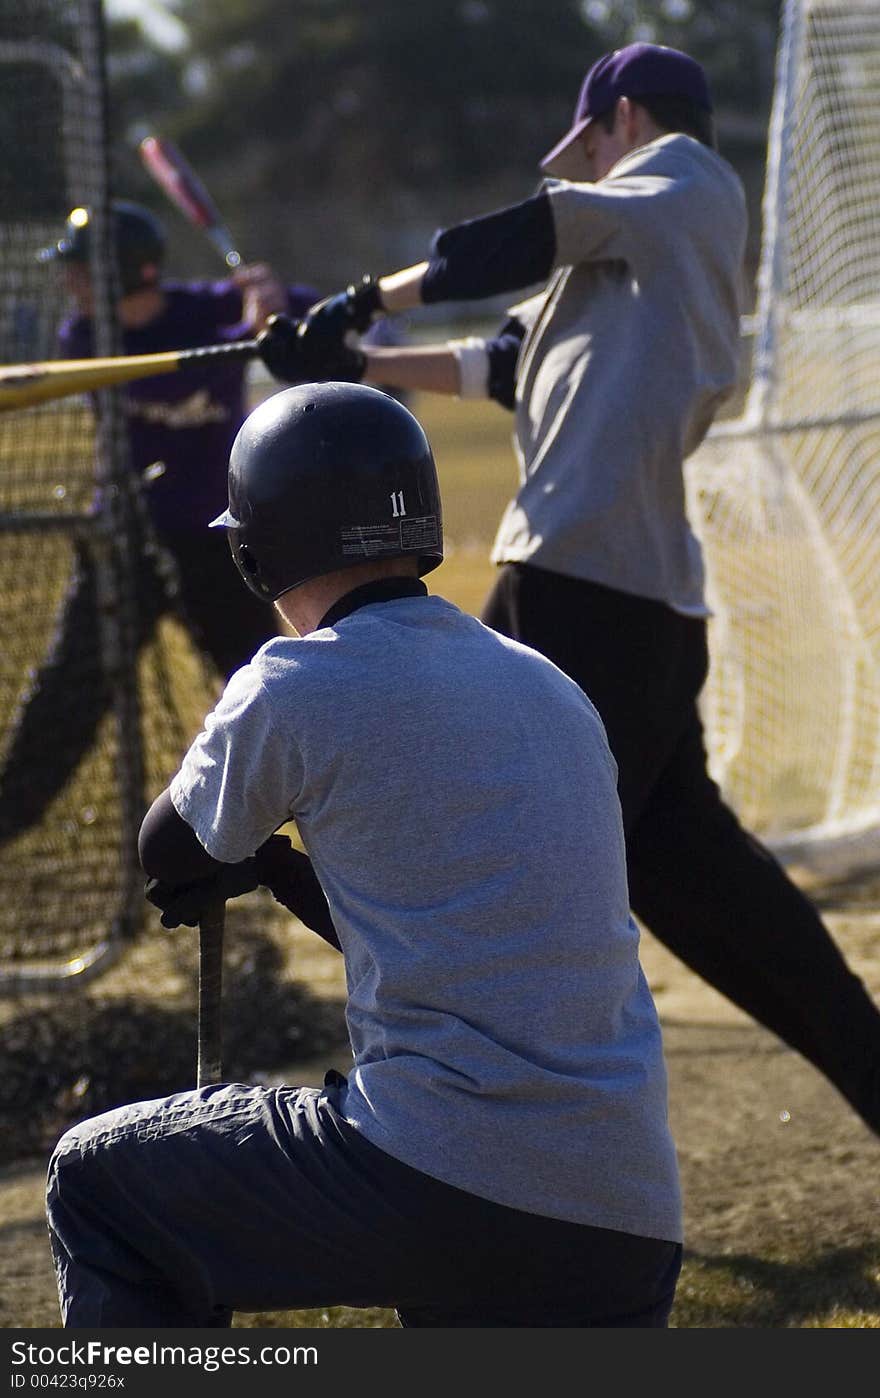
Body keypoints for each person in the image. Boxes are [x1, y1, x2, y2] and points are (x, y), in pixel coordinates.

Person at [256, 42, 880, 1139]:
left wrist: (364, 296)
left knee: (483, 851)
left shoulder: (683, 176)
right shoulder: (627, 267)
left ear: (624, 118)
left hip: (583, 594)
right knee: (707, 895)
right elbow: (497, 362)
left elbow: (522, 232)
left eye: (588, 147)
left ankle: (493, 1141)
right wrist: (351, 357)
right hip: (626, 608)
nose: (582, 170)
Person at [46, 381, 683, 1329]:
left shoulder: (297, 679)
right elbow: (470, 932)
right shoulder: (547, 685)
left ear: (255, 549)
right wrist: (278, 869)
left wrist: (237, 850)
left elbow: (168, 849)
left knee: (97, 1180)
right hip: (627, 1212)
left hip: (444, 1178)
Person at [0, 200, 318, 843]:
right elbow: (173, 385)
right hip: (126, 542)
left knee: (261, 689)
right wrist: (243, 337)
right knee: (69, 695)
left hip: (221, 546)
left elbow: (315, 319)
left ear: (125, 275)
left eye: (82, 269)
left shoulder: (202, 306)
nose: (70, 283)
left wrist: (278, 300)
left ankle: (311, 823)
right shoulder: (87, 339)